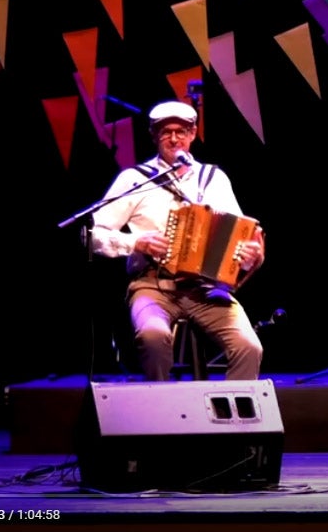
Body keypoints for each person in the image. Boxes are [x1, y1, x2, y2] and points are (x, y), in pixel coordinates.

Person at [91, 100, 265, 382]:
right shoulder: (136, 180)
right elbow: (93, 234)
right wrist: (136, 243)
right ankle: (162, 419)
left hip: (207, 289)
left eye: (182, 131)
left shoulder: (214, 179)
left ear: (193, 133)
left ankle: (230, 423)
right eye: (166, 131)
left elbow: (239, 234)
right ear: (153, 135)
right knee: (153, 336)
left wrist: (249, 253)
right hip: (152, 286)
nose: (174, 138)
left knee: (248, 346)